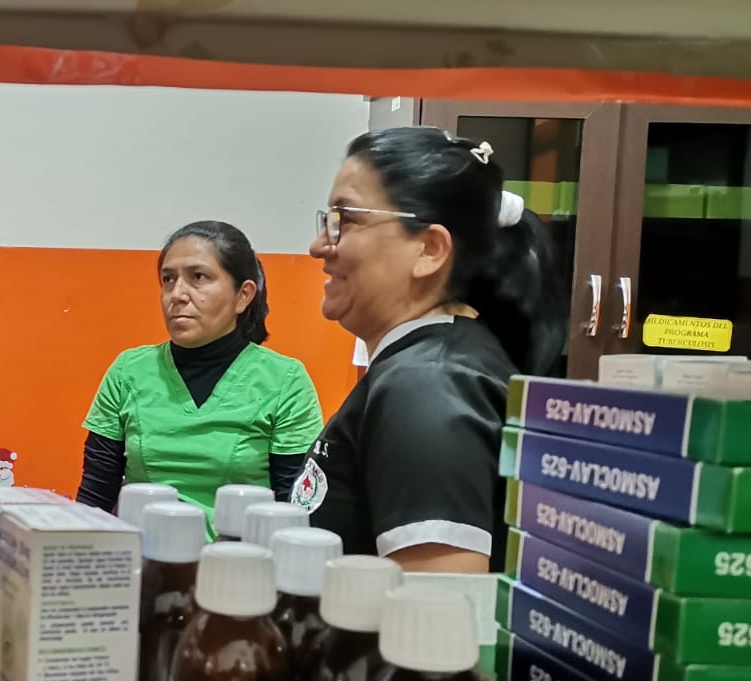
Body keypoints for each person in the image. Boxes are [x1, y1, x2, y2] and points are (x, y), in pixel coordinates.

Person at [294, 126, 569, 573]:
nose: (319, 246)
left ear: (430, 249)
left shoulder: (429, 387)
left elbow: (437, 617)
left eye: (346, 219)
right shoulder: (420, 365)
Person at [76, 220, 325, 530]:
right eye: (168, 279)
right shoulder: (129, 371)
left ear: (244, 295)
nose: (177, 294)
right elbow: (93, 500)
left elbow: (294, 510)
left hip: (238, 566)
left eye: (198, 277)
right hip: (143, 565)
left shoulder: (285, 381)